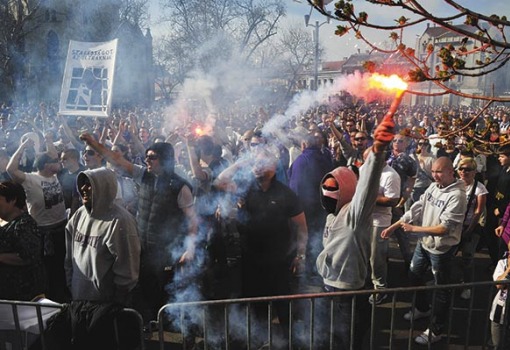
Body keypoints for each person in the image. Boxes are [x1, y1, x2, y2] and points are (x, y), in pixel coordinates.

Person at [79, 134, 198, 323]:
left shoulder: (180, 187)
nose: (147, 161)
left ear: (165, 160)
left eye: (152, 157)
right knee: (143, 287)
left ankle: (169, 329)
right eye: (146, 157)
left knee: (165, 291)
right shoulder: (144, 175)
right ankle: (147, 325)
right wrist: (93, 144)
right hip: (141, 246)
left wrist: (190, 249)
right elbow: (117, 160)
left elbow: (193, 221)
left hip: (166, 250)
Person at [213, 149, 308, 348]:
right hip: (251, 260)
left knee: (283, 305)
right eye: (255, 164)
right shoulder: (245, 189)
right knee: (257, 306)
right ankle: (262, 341)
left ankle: (290, 342)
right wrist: (242, 161)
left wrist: (300, 254)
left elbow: (301, 226)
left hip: (280, 260)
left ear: (273, 168)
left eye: (261, 163)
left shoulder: (285, 193)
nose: (256, 167)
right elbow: (218, 181)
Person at [315, 115, 394, 350]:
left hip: (349, 295)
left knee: (349, 341)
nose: (328, 193)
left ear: (348, 189)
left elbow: (367, 186)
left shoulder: (355, 215)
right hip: (328, 290)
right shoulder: (331, 215)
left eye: (334, 188)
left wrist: (378, 150)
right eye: (326, 188)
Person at [382, 157, 467, 345]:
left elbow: (444, 228)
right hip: (424, 244)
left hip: (441, 250)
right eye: (433, 171)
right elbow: (417, 208)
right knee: (414, 274)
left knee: (441, 290)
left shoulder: (457, 195)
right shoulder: (433, 187)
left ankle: (437, 330)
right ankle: (422, 308)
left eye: (439, 172)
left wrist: (414, 230)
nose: (435, 175)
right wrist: (395, 226)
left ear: (450, 172)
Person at [64, 168, 140, 304]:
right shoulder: (79, 215)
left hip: (105, 304)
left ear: (104, 188)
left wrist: (115, 302)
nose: (83, 188)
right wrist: (72, 285)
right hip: (79, 299)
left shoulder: (120, 221)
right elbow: (69, 258)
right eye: (82, 183)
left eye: (89, 184)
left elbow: (128, 270)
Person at [7, 138, 68, 302]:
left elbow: (52, 154)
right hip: (42, 233)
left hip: (60, 229)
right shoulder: (31, 179)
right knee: (47, 269)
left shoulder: (53, 175)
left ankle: (61, 296)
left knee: (60, 267)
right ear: (47, 165)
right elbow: (10, 169)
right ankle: (48, 300)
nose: (59, 161)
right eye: (56, 161)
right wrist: (22, 147)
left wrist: (48, 140)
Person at [287, 131, 333, 279]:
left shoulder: (302, 160)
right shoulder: (326, 158)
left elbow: (296, 187)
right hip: (322, 206)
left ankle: (307, 273)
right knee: (317, 239)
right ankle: (316, 269)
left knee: (306, 239)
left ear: (303, 145)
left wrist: (293, 209)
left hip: (306, 208)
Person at [363, 147, 400, 304]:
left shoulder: (391, 175)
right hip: (364, 219)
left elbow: (392, 200)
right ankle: (366, 282)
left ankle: (381, 288)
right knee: (364, 254)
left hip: (379, 223)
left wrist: (369, 196)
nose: (366, 163)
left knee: (376, 257)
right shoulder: (365, 169)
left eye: (369, 160)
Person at [0, 181, 47, 301]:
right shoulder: (2, 221)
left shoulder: (24, 224)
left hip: (22, 294)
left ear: (13, 200)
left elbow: (29, 256)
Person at [455, 157, 488, 300]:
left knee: (467, 257)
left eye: (467, 169)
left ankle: (467, 285)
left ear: (474, 171)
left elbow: (478, 211)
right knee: (447, 255)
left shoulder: (479, 188)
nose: (463, 172)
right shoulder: (455, 184)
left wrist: (469, 230)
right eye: (461, 169)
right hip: (454, 225)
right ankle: (446, 281)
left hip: (470, 226)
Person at [489, 240, 510, 350]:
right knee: (498, 345)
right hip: (499, 312)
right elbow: (498, 285)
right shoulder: (503, 263)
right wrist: (508, 270)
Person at [58, 148, 86, 218]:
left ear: (74, 160)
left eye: (65, 159)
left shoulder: (83, 174)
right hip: (65, 213)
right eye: (61, 159)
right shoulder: (62, 173)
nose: (61, 161)